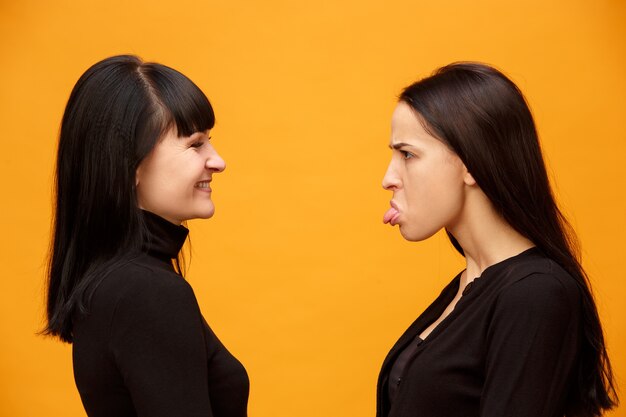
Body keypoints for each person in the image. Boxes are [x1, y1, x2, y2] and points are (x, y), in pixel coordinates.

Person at [378, 62, 618, 417]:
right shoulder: (469, 284)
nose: (388, 178)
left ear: (471, 162)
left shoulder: (536, 293)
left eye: (408, 154)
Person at [44, 55, 249, 417]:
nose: (218, 161)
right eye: (195, 144)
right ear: (130, 165)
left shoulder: (113, 282)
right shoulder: (145, 291)